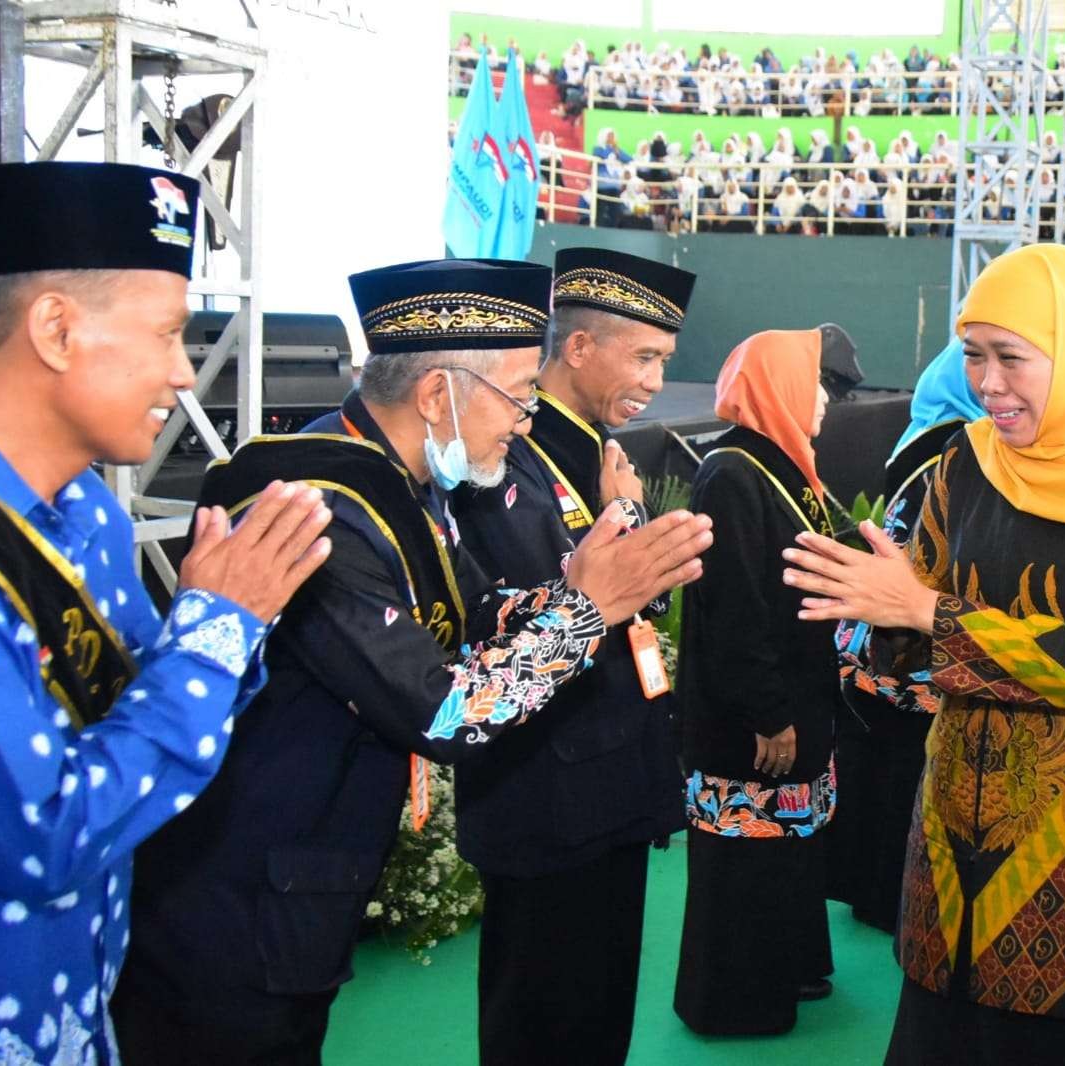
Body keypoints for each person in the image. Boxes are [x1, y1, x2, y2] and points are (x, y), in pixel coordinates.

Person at [112, 260, 714, 1064]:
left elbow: (478, 619)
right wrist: (588, 610)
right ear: (437, 395)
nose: (528, 421)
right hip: (240, 894)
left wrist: (582, 584)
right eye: (517, 395)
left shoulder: (401, 481)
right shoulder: (318, 509)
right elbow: (446, 711)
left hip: (302, 882)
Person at [0, 161, 335, 1065]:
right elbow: (46, 837)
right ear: (54, 328)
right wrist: (218, 628)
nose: (185, 375)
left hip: (75, 1006)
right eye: (167, 334)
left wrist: (225, 620)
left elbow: (138, 719)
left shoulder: (84, 510)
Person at [784, 244, 1065, 1065]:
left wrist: (922, 610)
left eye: (1012, 358)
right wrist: (878, 615)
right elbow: (907, 625)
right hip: (955, 819)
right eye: (973, 357)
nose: (989, 383)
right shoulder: (969, 460)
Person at [448, 249, 698, 1066]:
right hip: (546, 788)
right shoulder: (501, 460)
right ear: (579, 349)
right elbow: (511, 619)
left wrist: (625, 521)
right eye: (646, 357)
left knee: (595, 1019)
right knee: (543, 1021)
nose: (658, 381)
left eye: (665, 360)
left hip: (605, 781)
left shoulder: (595, 451)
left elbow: (630, 600)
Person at [674, 327, 855, 1037]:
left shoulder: (784, 466)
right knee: (743, 862)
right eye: (813, 384)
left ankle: (787, 970)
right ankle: (735, 1003)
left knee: (783, 854)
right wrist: (770, 713)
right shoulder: (732, 473)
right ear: (776, 386)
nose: (824, 402)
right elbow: (736, 611)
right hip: (748, 719)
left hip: (792, 700)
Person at [826, 338, 982, 933]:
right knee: (904, 772)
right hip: (917, 633)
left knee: (881, 765)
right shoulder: (962, 447)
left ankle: (870, 890)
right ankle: (893, 894)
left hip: (879, 631)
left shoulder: (921, 435)